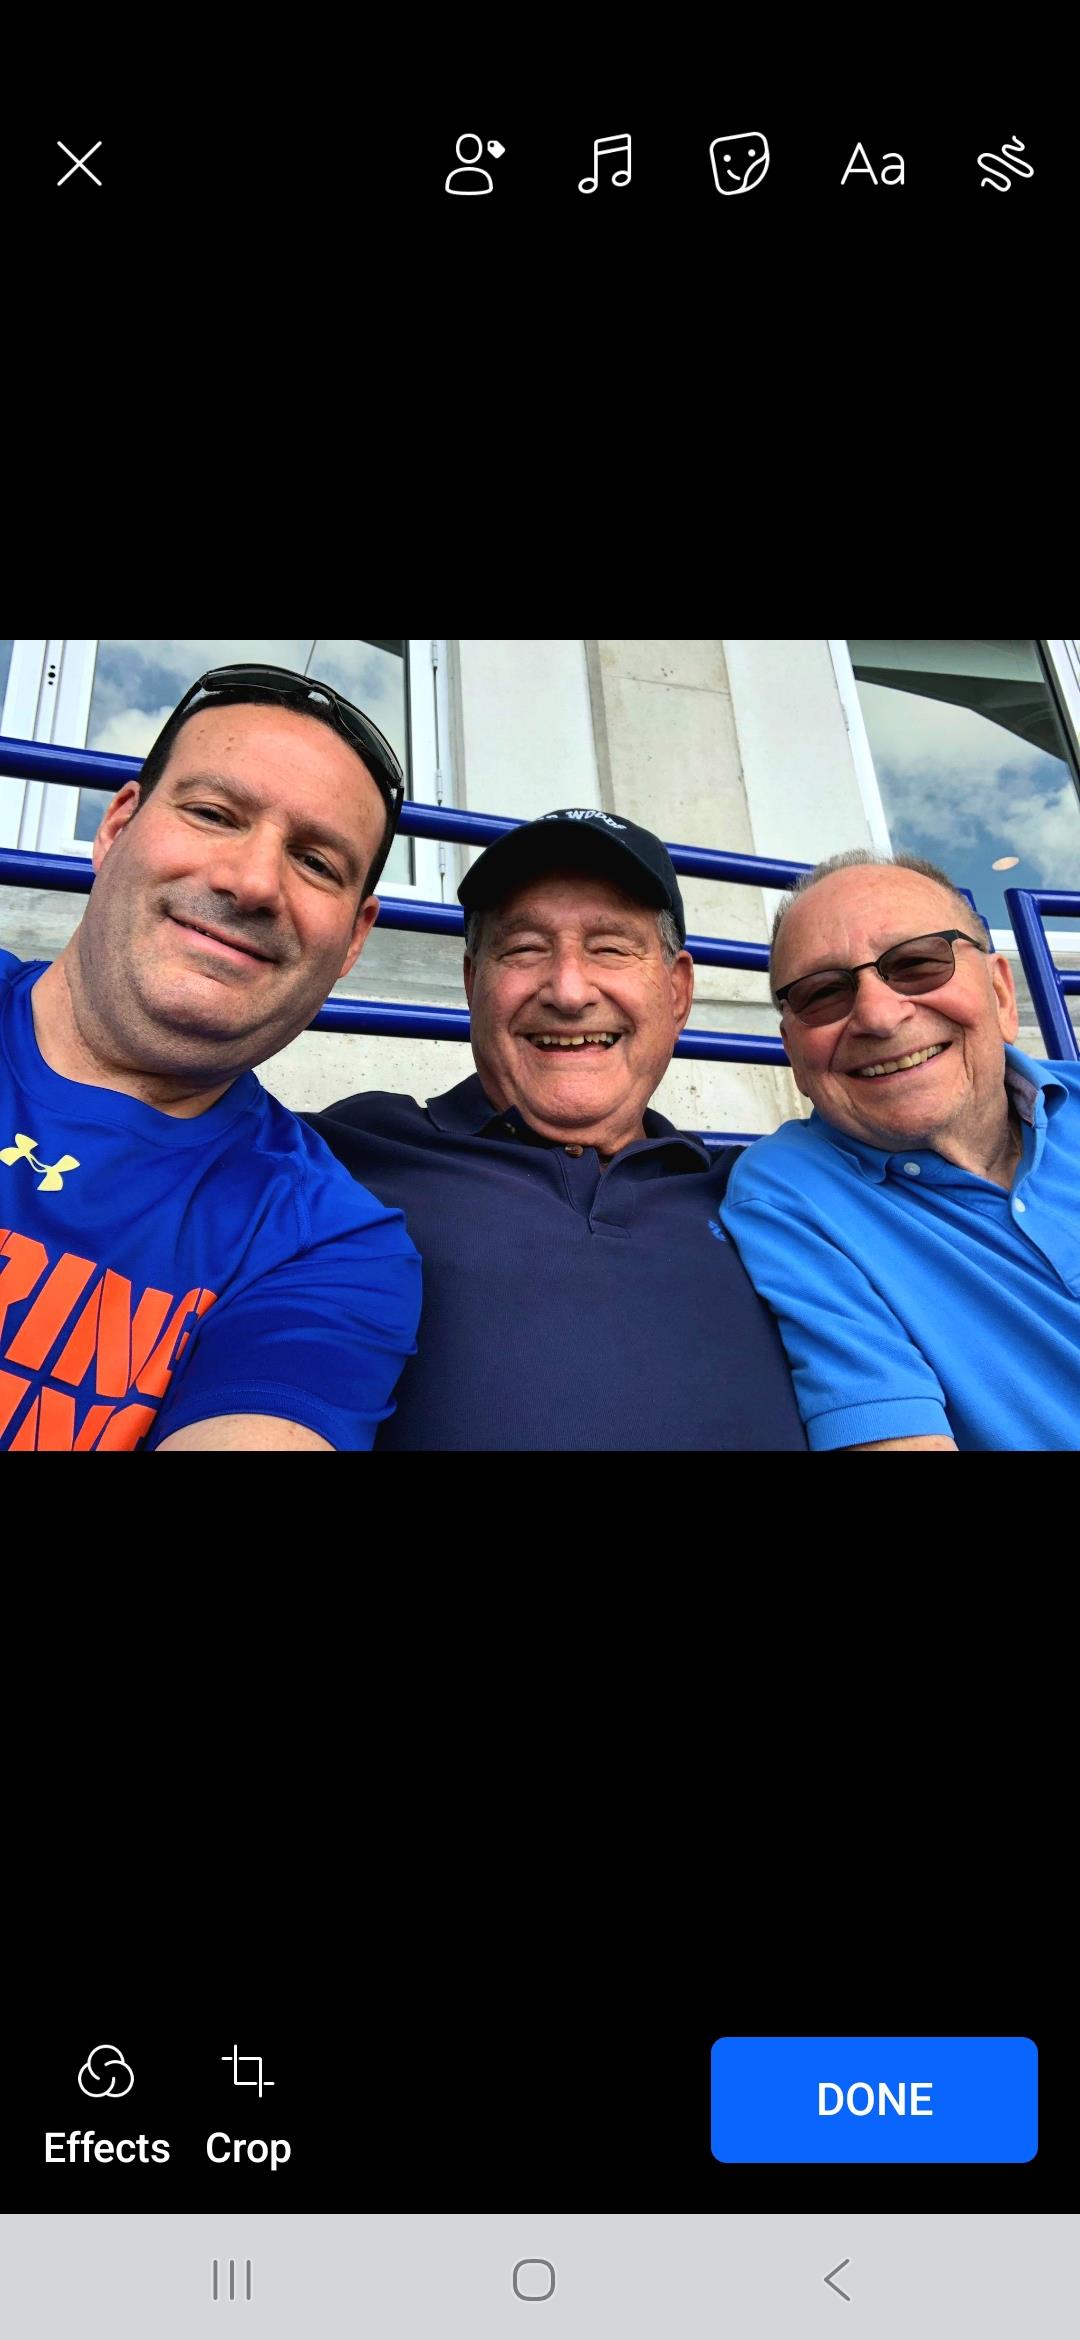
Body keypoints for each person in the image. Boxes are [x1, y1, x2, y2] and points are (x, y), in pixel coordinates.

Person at [0, 662, 420, 1451]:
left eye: (316, 862)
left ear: (354, 939)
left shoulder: (326, 1244)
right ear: (117, 826)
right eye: (213, 813)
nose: (254, 880)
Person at [306, 808, 807, 1450]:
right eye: (524, 949)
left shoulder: (760, 1197)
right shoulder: (345, 1154)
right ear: (472, 983)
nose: (569, 990)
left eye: (611, 949)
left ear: (678, 991)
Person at [719, 848, 1080, 1451]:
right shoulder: (789, 1197)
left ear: (999, 994)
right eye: (821, 994)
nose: (879, 1017)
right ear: (794, 1054)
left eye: (917, 963)